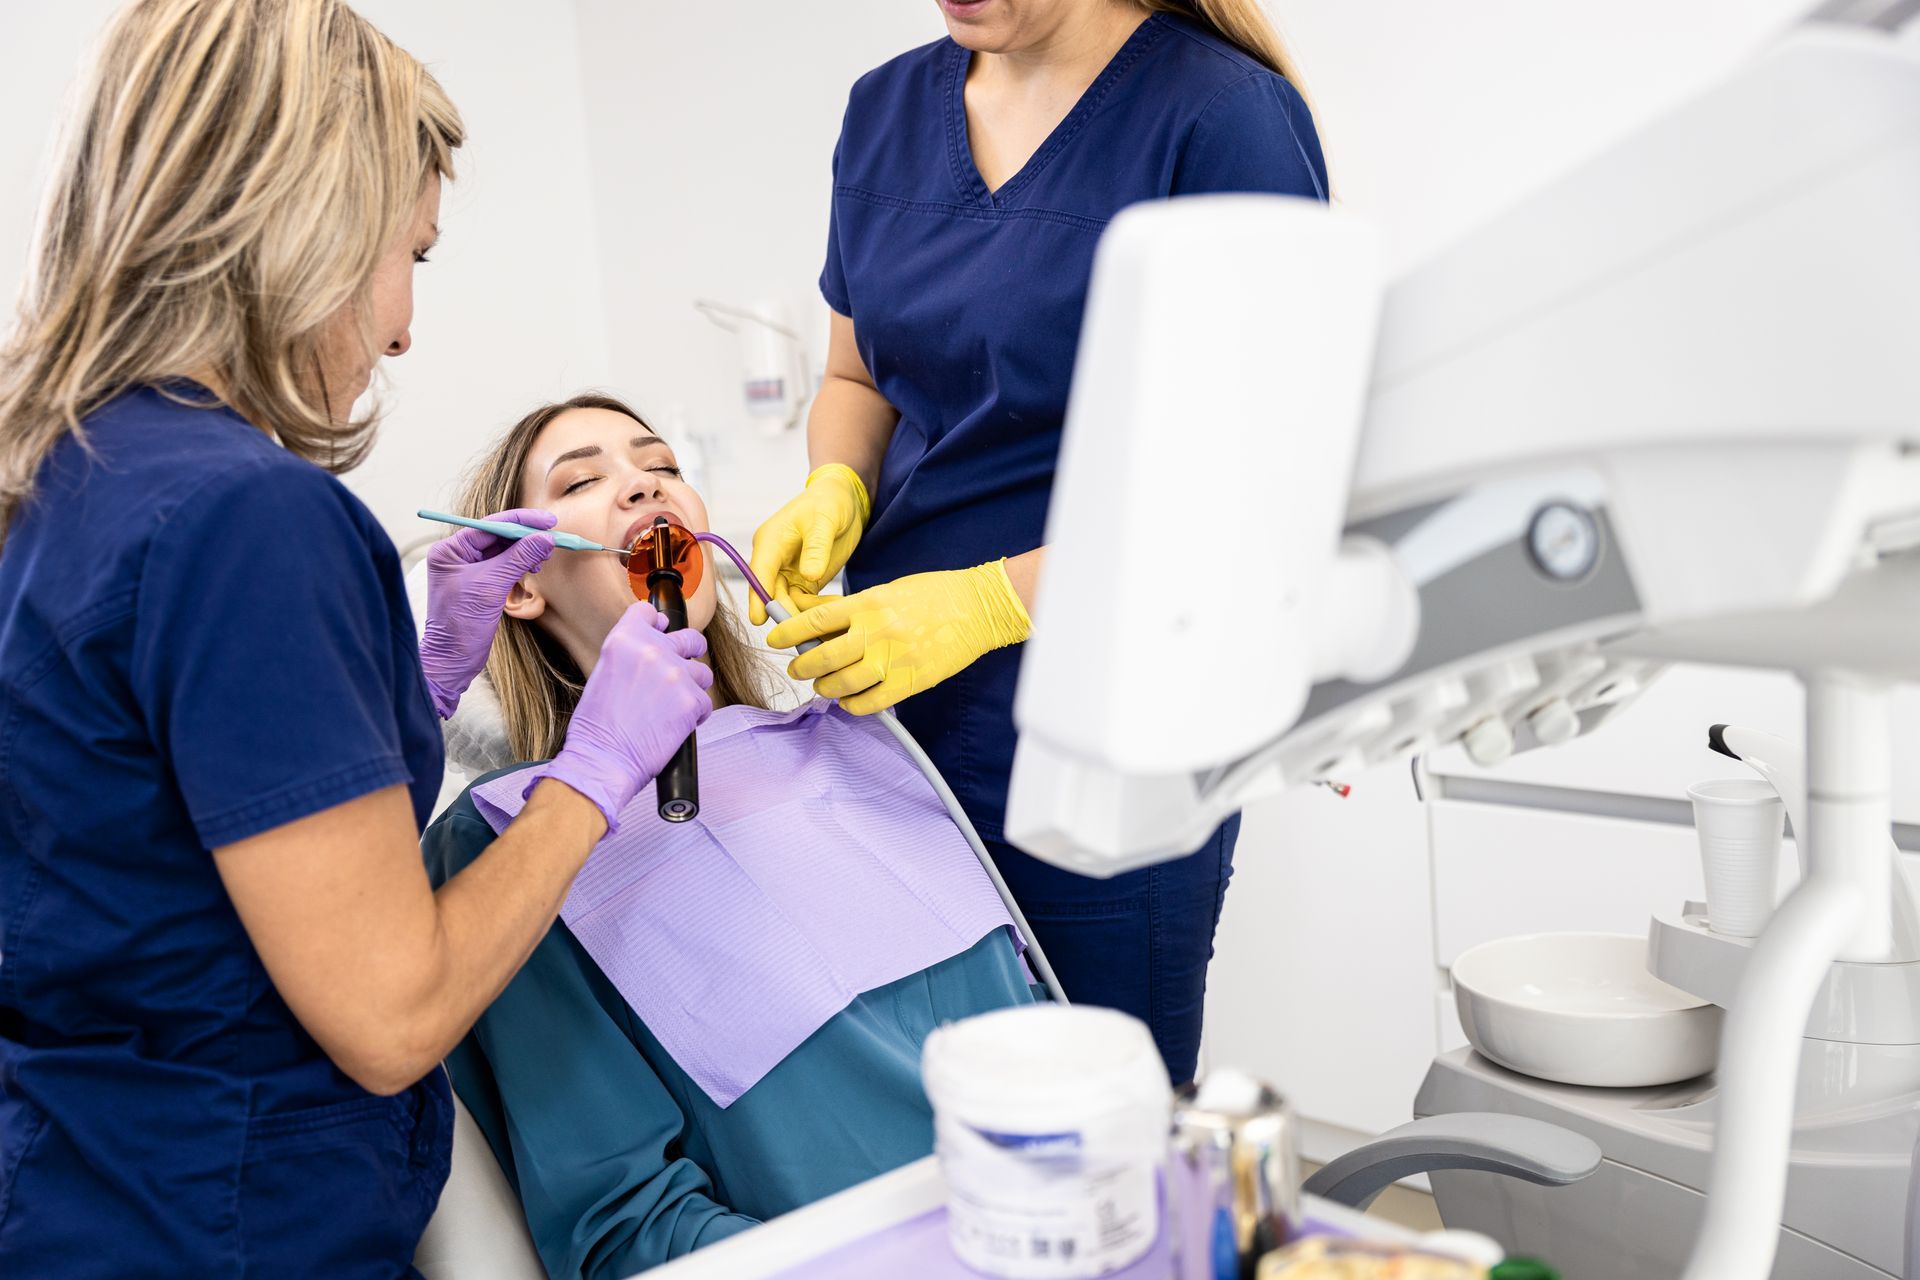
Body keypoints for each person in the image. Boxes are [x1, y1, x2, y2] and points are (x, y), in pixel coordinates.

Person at [0, 4, 709, 1274]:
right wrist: (594, 769)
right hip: (221, 1220)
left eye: (661, 465)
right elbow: (393, 1011)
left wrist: (412, 686)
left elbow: (158, 827)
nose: (400, 331)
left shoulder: (62, 476)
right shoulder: (246, 514)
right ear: (307, 220)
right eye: (413, 257)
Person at [751, 0, 1328, 1083]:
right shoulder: (884, 110)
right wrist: (837, 477)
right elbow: (854, 374)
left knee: (1102, 1118)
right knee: (932, 1109)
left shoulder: (1222, 120)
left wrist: (989, 601)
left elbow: (1256, 486)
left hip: (1114, 723)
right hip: (902, 716)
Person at [424, 393, 1036, 1278]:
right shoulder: (501, 837)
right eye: (587, 480)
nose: (642, 488)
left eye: (663, 466)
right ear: (519, 582)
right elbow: (626, 1228)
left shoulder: (856, 740)